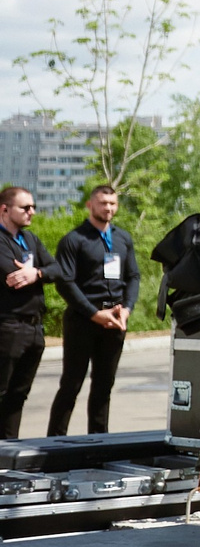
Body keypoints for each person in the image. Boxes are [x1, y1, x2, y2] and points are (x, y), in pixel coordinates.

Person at [46, 183, 135, 436]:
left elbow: (134, 276)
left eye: (112, 203)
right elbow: (65, 282)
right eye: (102, 203)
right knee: (71, 385)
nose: (108, 208)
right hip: (83, 321)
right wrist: (94, 314)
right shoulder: (74, 240)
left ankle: (99, 442)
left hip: (115, 322)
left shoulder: (123, 238)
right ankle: (55, 443)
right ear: (90, 205)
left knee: (103, 387)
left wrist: (126, 310)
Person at [0, 186, 54, 439]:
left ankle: (7, 451)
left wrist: (37, 273)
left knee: (18, 395)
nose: (32, 212)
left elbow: (60, 269)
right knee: (2, 391)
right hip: (9, 327)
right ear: (5, 210)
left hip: (34, 328)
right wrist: (40, 272)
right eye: (25, 207)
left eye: (33, 207)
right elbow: (11, 275)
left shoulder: (30, 240)